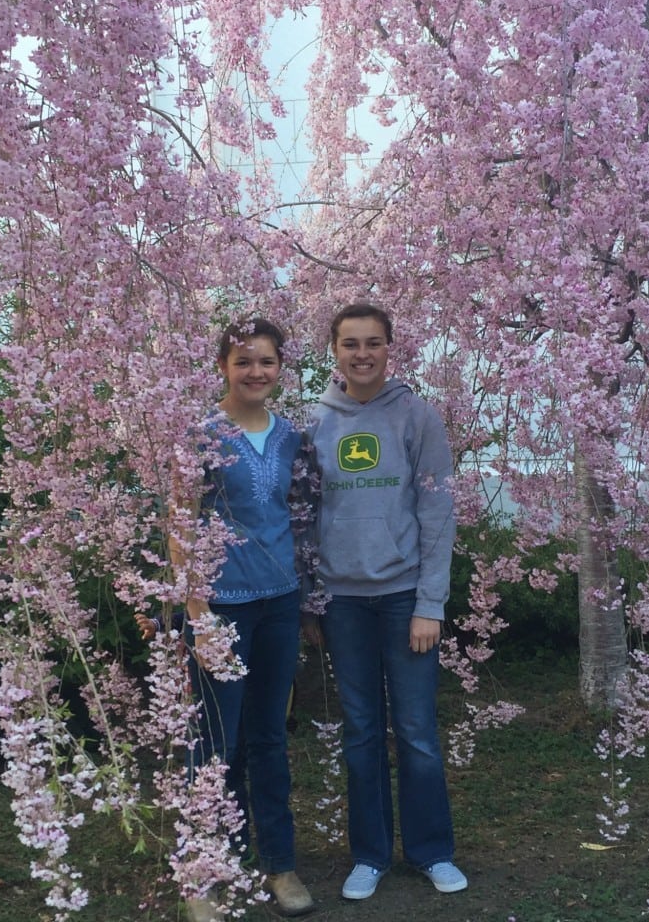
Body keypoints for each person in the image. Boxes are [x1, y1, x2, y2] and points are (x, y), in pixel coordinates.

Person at [304, 302, 466, 901]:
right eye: (351, 344)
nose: (362, 354)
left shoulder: (417, 417)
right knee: (362, 731)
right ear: (335, 351)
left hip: (404, 598)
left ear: (390, 348)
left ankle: (431, 851)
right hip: (342, 603)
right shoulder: (315, 422)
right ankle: (369, 854)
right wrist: (311, 602)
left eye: (373, 343)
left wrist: (431, 602)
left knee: (418, 730)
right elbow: (305, 518)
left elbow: (437, 511)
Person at [170, 317, 314, 920]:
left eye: (266, 362)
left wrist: (309, 603)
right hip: (221, 607)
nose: (255, 372)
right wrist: (197, 614)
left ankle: (278, 865)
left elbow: (299, 520)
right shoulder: (199, 436)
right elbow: (179, 525)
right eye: (243, 361)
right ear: (223, 368)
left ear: (281, 368)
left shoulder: (292, 439)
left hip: (280, 603)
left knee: (269, 739)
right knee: (213, 742)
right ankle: (204, 871)